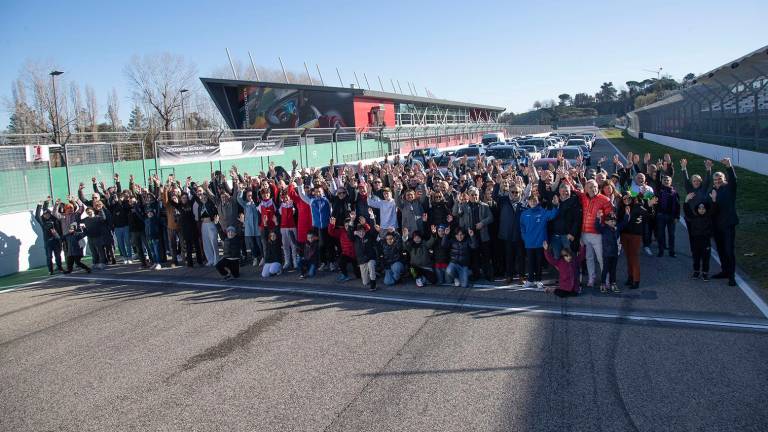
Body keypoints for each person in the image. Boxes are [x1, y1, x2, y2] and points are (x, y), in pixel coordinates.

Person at [570, 178, 614, 288]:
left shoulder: (605, 200)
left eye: (595, 186)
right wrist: (563, 177)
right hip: (584, 234)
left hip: (598, 235)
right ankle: (591, 278)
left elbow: (611, 217)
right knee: (588, 258)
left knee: (601, 258)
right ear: (586, 189)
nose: (593, 189)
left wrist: (604, 224)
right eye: (590, 187)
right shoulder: (583, 197)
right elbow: (572, 189)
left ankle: (606, 279)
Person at [520, 194, 559, 288]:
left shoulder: (543, 212)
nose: (533, 202)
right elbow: (522, 227)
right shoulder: (524, 214)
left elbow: (553, 214)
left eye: (535, 200)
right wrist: (525, 238)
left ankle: (538, 280)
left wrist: (555, 205)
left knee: (538, 262)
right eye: (531, 201)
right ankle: (530, 280)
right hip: (529, 243)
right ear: (528, 202)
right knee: (530, 262)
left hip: (540, 242)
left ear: (538, 201)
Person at [710, 158, 738, 286]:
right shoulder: (713, 191)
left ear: (724, 179)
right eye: (715, 180)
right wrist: (714, 200)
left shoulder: (729, 188)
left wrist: (729, 166)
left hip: (728, 225)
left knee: (729, 251)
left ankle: (732, 277)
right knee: (721, 250)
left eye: (719, 179)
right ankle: (725, 271)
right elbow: (713, 210)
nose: (717, 182)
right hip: (717, 226)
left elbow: (734, 179)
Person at [684, 194, 713, 281]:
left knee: (705, 259)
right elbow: (687, 210)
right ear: (697, 209)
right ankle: (696, 272)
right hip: (695, 242)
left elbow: (714, 209)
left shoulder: (709, 218)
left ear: (706, 210)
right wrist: (686, 201)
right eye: (700, 208)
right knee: (696, 258)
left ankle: (705, 273)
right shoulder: (693, 217)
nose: (701, 210)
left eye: (703, 209)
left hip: (706, 242)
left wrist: (714, 200)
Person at [654, 174, 680, 258]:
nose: (666, 181)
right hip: (660, 216)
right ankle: (661, 251)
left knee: (671, 235)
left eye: (668, 180)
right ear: (662, 181)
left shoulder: (674, 193)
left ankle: (671, 252)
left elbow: (678, 206)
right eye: (664, 180)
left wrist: (677, 217)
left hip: (671, 217)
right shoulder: (658, 190)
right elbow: (657, 181)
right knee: (660, 234)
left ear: (671, 182)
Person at [35, 198, 64, 275]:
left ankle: (60, 267)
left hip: (56, 240)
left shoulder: (54, 219)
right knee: (49, 257)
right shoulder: (42, 222)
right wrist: (39, 205)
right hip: (48, 242)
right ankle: (50, 270)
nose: (46, 215)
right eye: (44, 214)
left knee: (58, 256)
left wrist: (48, 203)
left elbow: (54, 213)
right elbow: (37, 216)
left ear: (49, 214)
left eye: (47, 214)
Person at [327, 216, 359, 282]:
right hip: (346, 254)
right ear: (344, 226)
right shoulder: (341, 231)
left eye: (349, 225)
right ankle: (345, 275)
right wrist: (332, 224)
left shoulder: (355, 231)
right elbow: (331, 232)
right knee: (341, 261)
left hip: (355, 256)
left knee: (358, 275)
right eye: (346, 225)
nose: (347, 227)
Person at [595, 213, 620, 293]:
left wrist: (627, 215)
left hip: (615, 253)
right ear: (606, 222)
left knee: (613, 269)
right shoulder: (604, 229)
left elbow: (624, 223)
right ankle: (603, 283)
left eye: (614, 221)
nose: (613, 222)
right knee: (605, 269)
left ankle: (613, 283)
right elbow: (597, 227)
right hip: (607, 254)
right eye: (611, 221)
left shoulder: (616, 229)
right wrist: (598, 218)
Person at [351, 221, 378, 291]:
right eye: (359, 231)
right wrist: (351, 221)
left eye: (363, 231)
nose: (361, 233)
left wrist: (372, 217)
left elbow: (373, 229)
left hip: (370, 258)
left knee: (371, 265)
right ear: (356, 232)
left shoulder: (369, 236)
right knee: (365, 282)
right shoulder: (355, 238)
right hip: (362, 261)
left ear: (365, 231)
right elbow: (349, 233)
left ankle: (373, 284)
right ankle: (372, 275)